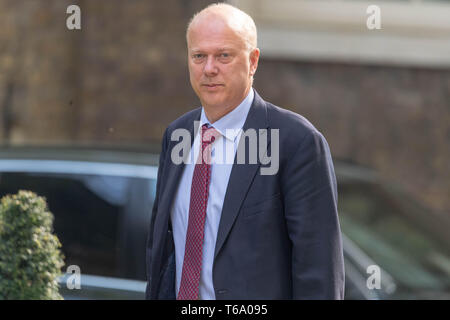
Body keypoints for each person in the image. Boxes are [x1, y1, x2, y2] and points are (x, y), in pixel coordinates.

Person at [145, 3, 344, 300]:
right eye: (199, 56)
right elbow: (160, 251)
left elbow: (319, 274)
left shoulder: (296, 142)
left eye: (223, 55)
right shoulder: (177, 136)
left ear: (252, 62)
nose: (209, 68)